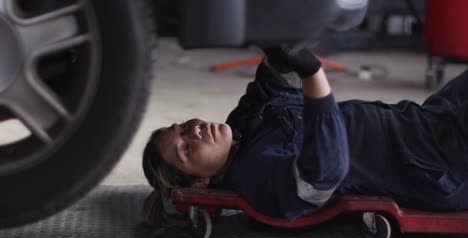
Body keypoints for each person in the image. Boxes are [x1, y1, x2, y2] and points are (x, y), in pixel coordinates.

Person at [142, 45, 468, 227]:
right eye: (186, 148)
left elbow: (277, 72)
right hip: (439, 161)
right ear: (199, 183)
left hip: (426, 120)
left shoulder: (242, 124)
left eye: (183, 126)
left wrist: (278, 36)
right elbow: (324, 174)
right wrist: (313, 74)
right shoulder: (258, 178)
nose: (195, 131)